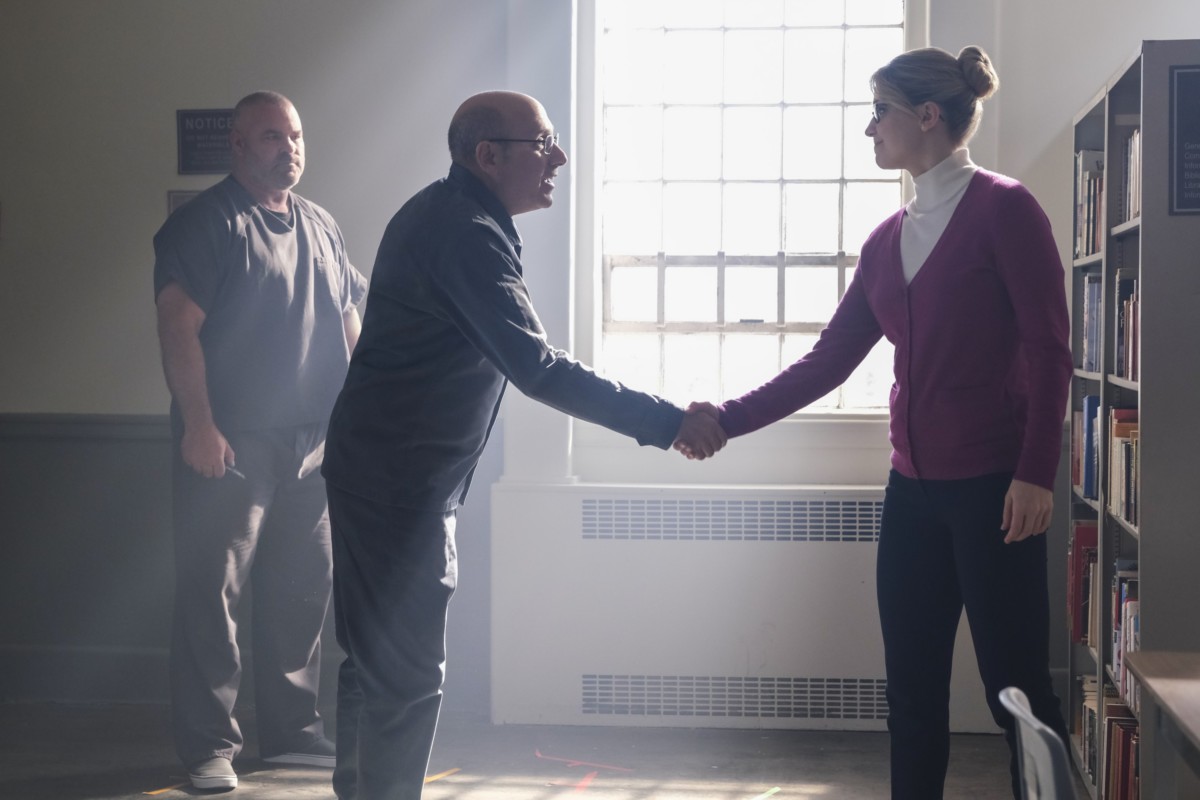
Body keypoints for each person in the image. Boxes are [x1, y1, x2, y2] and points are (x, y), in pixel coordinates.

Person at [680, 47, 1072, 800]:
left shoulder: (1006, 209)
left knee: (1018, 694)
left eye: (878, 112)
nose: (869, 129)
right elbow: (828, 361)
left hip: (996, 493)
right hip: (912, 496)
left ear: (927, 116)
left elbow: (1049, 348)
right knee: (912, 697)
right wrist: (725, 418)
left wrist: (1035, 474)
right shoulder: (886, 241)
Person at [320, 90, 726, 799]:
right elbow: (539, 369)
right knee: (405, 676)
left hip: (379, 470)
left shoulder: (450, 213)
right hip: (399, 485)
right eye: (542, 144)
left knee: (376, 664)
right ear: (488, 155)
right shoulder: (464, 233)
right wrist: (668, 422)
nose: (558, 157)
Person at [153, 90, 367, 791]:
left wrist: (361, 420)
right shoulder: (207, 223)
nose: (289, 148)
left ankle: (292, 732)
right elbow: (177, 325)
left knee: (302, 590)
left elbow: (348, 320)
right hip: (231, 444)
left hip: (315, 443)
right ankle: (208, 747)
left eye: (295, 135)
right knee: (213, 597)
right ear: (239, 144)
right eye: (272, 136)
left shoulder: (321, 224)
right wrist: (199, 424)